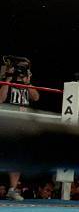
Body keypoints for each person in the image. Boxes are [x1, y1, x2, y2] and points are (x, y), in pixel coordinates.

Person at [1, 57, 39, 202]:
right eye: (20, 69)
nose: (21, 72)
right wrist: (8, 79)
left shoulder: (26, 83)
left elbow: (36, 97)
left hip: (22, 124)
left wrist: (28, 83)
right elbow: (0, 99)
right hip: (8, 122)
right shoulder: (7, 81)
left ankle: (12, 189)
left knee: (17, 157)